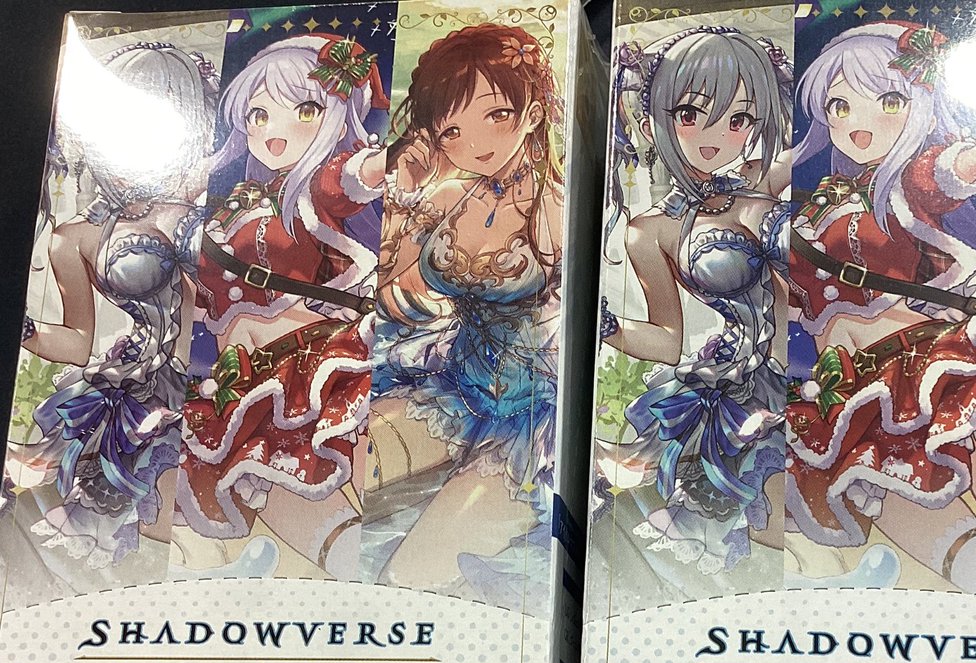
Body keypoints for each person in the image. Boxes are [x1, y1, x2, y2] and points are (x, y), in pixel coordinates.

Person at [177, 34, 387, 578]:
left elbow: (354, 178)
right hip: (237, 379)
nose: (275, 129)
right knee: (252, 484)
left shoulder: (315, 188)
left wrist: (383, 161)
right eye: (259, 114)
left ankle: (363, 586)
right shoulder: (237, 200)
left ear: (335, 117)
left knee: (304, 476)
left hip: (303, 365)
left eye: (305, 110)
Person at [785, 22, 976, 589]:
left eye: (889, 101)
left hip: (909, 363)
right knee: (875, 487)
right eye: (839, 106)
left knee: (917, 474)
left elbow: (948, 174)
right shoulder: (822, 200)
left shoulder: (905, 185)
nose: (858, 122)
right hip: (839, 381)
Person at [368, 23, 564, 594]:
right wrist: (403, 191)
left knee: (409, 575)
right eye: (451, 129)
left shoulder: (559, 211)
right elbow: (383, 294)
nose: (473, 142)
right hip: (453, 390)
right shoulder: (447, 198)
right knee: (334, 471)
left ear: (533, 111)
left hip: (531, 424)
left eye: (495, 114)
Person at [596, 25, 792, 575]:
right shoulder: (650, 231)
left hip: (811, 358)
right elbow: (667, 340)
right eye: (689, 114)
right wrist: (606, 328)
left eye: (738, 119)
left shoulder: (770, 177)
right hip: (738, 387)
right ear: (656, 122)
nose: (714, 135)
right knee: (761, 518)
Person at [15, 40, 217, 569]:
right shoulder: (74, 238)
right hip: (133, 386)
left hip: (211, 364)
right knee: (141, 517)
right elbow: (77, 343)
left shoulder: (201, 197)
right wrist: (25, 329)